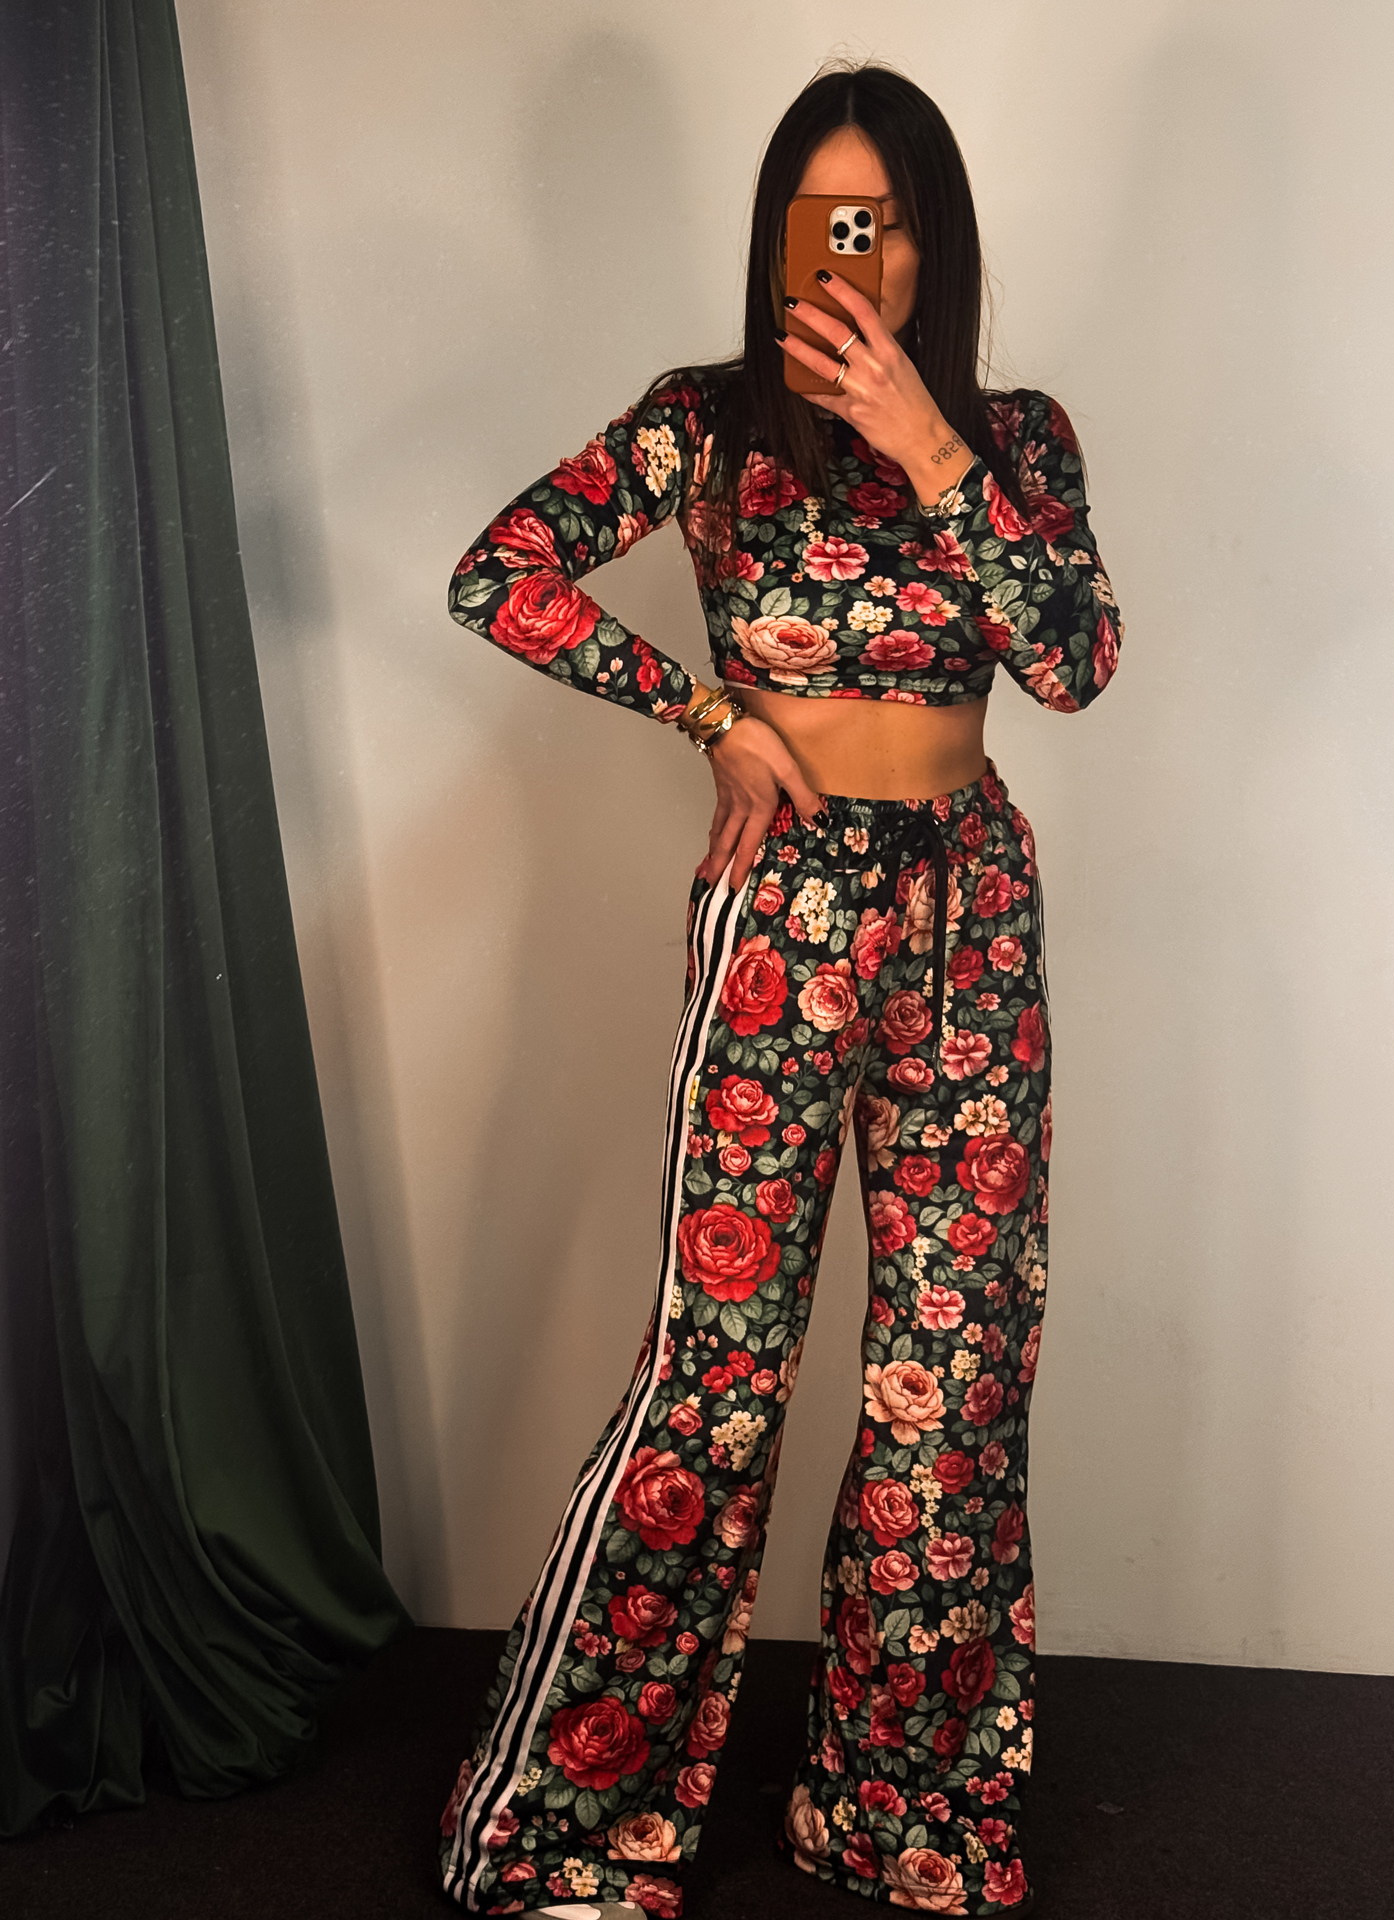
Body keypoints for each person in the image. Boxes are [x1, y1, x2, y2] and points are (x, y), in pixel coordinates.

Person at [437, 61, 1121, 1920]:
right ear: (778, 237)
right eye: (824, 220)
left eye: (885, 223)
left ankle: (899, 1809)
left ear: (935, 242)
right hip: (785, 913)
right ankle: (574, 1825)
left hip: (971, 908)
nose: (855, 256)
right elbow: (499, 573)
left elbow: (1073, 662)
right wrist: (708, 717)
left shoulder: (1017, 437)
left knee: (953, 1382)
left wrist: (927, 441)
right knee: (720, 1376)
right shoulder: (706, 424)